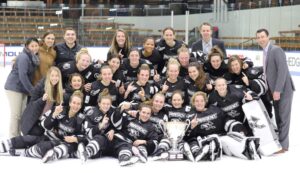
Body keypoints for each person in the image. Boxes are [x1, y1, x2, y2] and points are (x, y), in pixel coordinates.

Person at [0, 67, 64, 155]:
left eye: (57, 76)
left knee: (45, 139)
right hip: (32, 123)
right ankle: (10, 143)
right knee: (37, 137)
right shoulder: (40, 87)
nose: (54, 78)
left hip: (44, 124)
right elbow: (31, 106)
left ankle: (21, 150)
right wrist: (42, 99)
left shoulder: (58, 91)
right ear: (48, 76)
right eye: (52, 75)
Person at [256, 28, 295, 153]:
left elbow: (282, 71)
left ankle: (283, 146)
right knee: (278, 117)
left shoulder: (276, 50)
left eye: (263, 36)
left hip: (283, 90)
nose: (261, 39)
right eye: (258, 37)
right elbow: (268, 69)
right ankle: (280, 141)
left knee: (283, 117)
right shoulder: (265, 51)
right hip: (274, 91)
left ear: (268, 37)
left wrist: (278, 90)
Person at [4, 37, 40, 137]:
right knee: (16, 114)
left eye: (36, 45)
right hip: (14, 88)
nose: (34, 48)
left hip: (22, 89)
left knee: (21, 114)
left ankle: (18, 135)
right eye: (32, 46)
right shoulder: (24, 57)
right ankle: (13, 137)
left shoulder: (33, 57)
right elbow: (22, 75)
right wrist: (32, 91)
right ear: (27, 46)